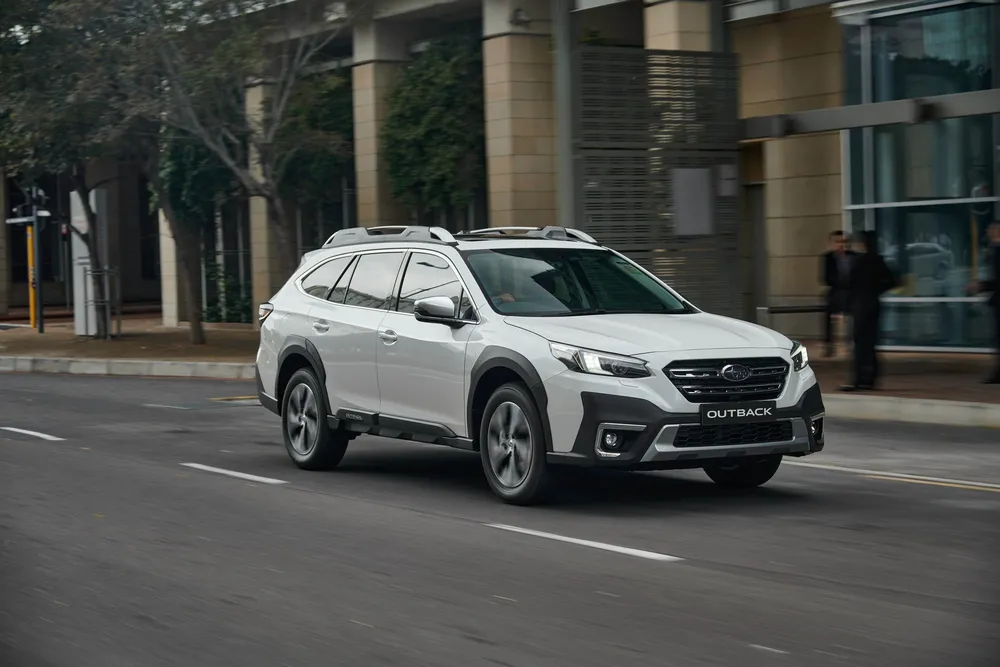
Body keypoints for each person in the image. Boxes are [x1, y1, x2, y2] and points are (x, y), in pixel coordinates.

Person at [842, 230, 898, 392]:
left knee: (861, 343)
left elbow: (850, 284)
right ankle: (869, 379)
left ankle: (861, 379)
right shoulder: (875, 259)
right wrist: (876, 291)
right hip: (870, 304)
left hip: (862, 305)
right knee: (868, 343)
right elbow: (891, 281)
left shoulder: (863, 260)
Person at [967, 221, 1000, 384]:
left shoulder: (997, 250)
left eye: (991, 229)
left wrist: (982, 285)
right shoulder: (993, 249)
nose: (988, 232)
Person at [821, 230, 854, 357]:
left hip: (851, 292)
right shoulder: (828, 258)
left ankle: (851, 343)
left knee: (855, 315)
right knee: (828, 313)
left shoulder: (853, 256)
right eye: (838, 242)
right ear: (832, 243)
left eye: (844, 242)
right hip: (836, 290)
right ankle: (829, 345)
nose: (841, 245)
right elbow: (825, 278)